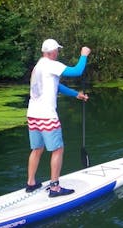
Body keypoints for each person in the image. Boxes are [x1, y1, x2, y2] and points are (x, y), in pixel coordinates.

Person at [25, 39, 91, 197]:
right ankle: (54, 188)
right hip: (47, 115)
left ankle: (31, 183)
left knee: (37, 149)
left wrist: (76, 95)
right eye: (57, 51)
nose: (58, 53)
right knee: (58, 149)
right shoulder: (51, 64)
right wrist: (84, 55)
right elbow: (77, 71)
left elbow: (57, 86)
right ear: (52, 51)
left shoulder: (39, 66)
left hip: (32, 115)